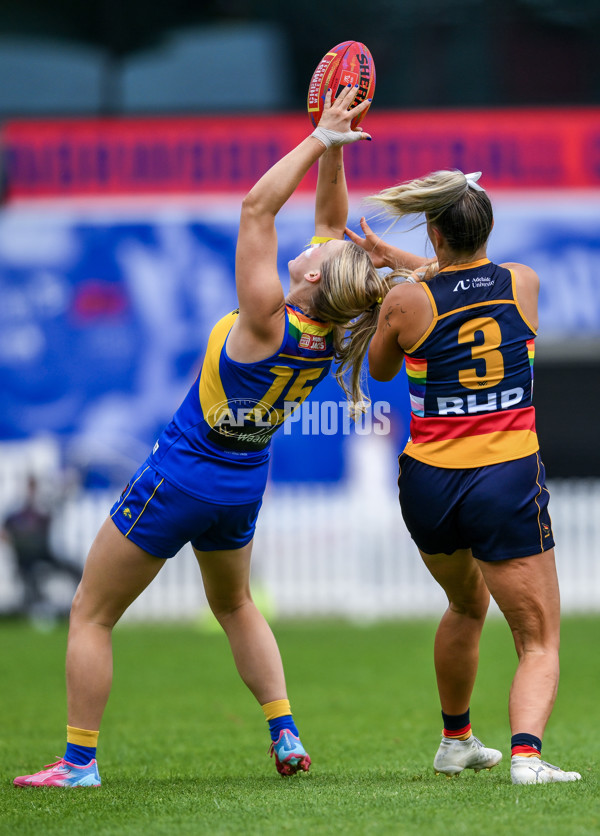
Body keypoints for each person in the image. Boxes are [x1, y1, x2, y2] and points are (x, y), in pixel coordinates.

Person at [14, 85, 392, 788]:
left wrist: (314, 141)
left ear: (311, 276)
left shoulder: (265, 316)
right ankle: (285, 731)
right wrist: (335, 144)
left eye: (317, 254)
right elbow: (332, 221)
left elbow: (257, 207)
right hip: (243, 481)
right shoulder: (329, 327)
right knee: (236, 604)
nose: (316, 247)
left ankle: (78, 764)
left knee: (90, 613)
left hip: (182, 471)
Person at [346, 169, 582, 785]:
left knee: (464, 604)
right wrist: (418, 263)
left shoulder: (405, 301)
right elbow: (471, 278)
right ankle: (527, 757)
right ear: (488, 229)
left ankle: (457, 742)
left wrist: (396, 268)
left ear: (432, 230)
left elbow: (381, 363)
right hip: (503, 479)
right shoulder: (522, 284)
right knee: (538, 640)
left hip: (429, 484)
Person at [2, 475, 81, 618]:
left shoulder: (42, 511)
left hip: (46, 555)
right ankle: (35, 609)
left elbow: (57, 506)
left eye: (33, 486)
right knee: (31, 579)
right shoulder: (15, 515)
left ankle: (79, 606)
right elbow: (5, 534)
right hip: (25, 561)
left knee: (75, 570)